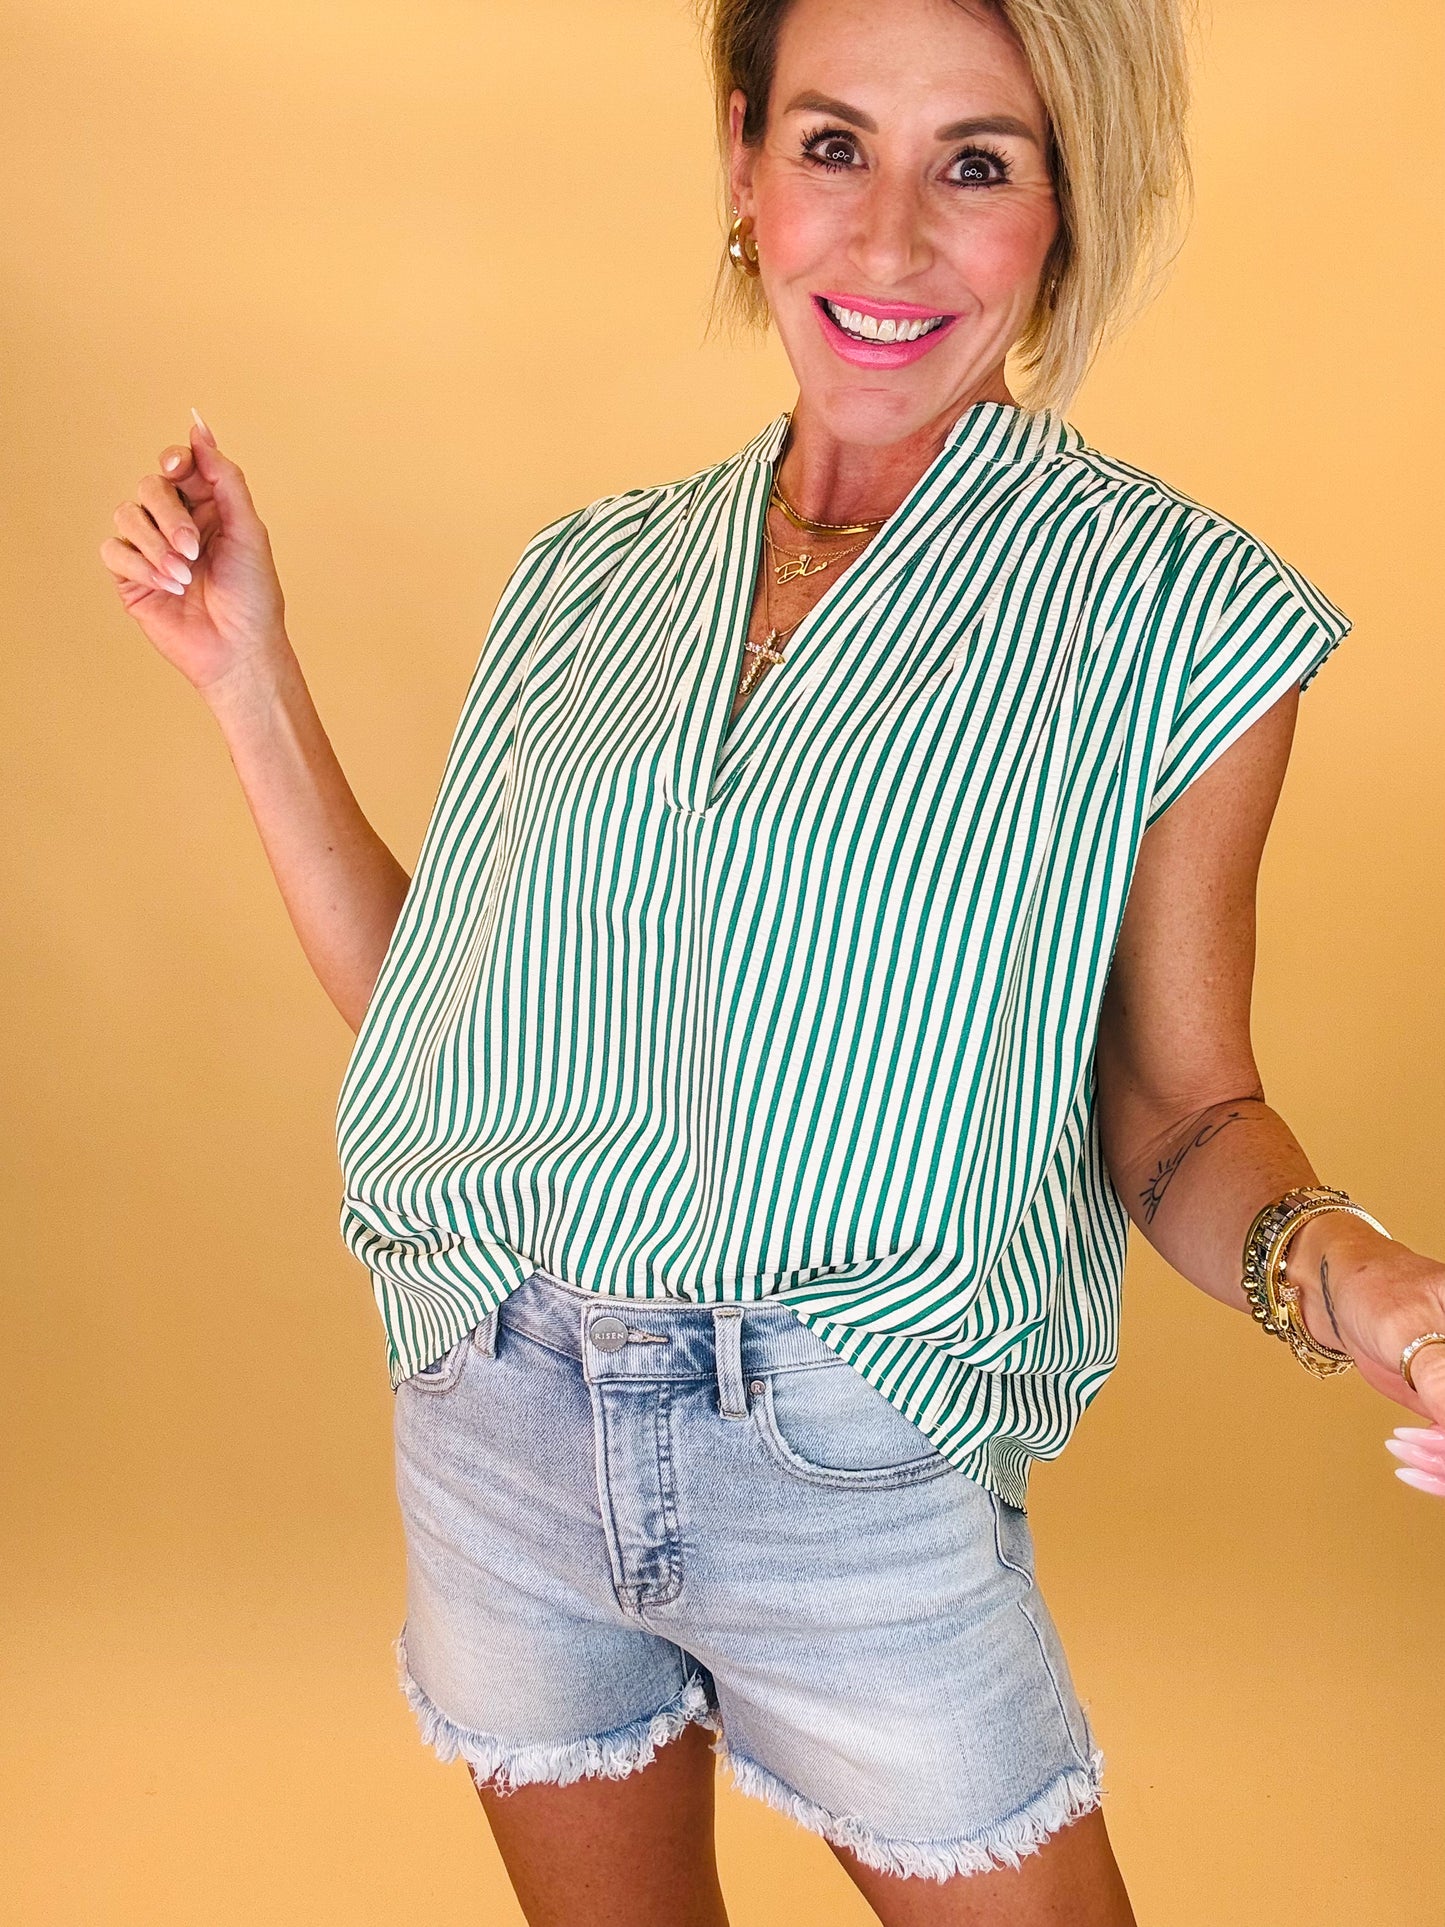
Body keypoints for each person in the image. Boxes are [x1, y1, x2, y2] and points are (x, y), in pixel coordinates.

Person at [99, 0, 1445, 1921]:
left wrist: (1377, 1291)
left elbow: (1176, 1115)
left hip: (843, 1466)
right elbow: (441, 1023)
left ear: (1061, 204)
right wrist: (247, 674)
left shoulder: (1175, 614)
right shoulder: (587, 577)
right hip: (502, 1413)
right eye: (832, 147)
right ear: (743, 163)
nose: (889, 237)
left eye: (974, 163)